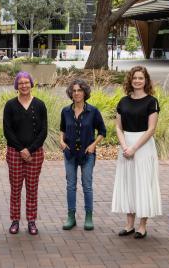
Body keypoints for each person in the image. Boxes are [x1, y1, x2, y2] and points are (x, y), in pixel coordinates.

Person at [112, 66, 162, 239]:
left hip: (143, 146)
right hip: (126, 146)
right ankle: (129, 225)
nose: (137, 81)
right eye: (135, 78)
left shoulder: (151, 101)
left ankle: (142, 226)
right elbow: (118, 127)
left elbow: (152, 129)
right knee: (129, 184)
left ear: (146, 80)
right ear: (130, 80)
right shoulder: (123, 102)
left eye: (141, 78)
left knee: (143, 183)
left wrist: (134, 148)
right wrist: (125, 146)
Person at [3, 71, 47, 235]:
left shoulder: (40, 105)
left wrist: (30, 149)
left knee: (32, 188)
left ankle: (31, 221)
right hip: (15, 152)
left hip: (35, 153)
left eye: (26, 82)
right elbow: (7, 130)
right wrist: (21, 149)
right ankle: (15, 220)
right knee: (15, 188)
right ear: (16, 86)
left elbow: (44, 130)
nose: (23, 85)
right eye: (20, 83)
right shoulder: (10, 105)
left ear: (31, 84)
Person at [60, 79, 106, 231]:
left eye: (79, 90)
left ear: (85, 93)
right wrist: (61, 141)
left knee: (87, 186)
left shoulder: (93, 111)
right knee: (70, 186)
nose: (76, 93)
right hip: (70, 153)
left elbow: (102, 132)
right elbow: (62, 128)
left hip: (87, 153)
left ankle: (88, 217)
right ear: (70, 94)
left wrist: (94, 145)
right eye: (73, 91)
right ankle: (71, 217)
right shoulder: (65, 111)